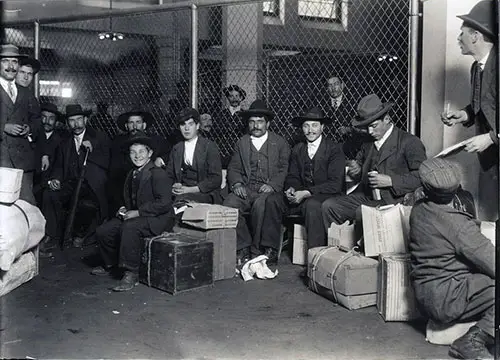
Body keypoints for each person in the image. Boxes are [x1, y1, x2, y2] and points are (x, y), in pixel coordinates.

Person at [409, 158, 494, 360]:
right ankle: (471, 342)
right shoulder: (459, 226)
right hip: (448, 299)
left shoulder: (419, 209)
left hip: (425, 294)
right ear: (457, 191)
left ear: (425, 189)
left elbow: (445, 227)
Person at [322, 93, 426, 230]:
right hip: (368, 197)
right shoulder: (367, 143)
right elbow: (360, 170)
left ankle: (365, 249)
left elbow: (422, 177)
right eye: (367, 127)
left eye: (374, 126)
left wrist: (391, 181)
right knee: (329, 206)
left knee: (363, 213)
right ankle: (338, 247)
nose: (370, 131)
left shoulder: (409, 142)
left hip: (395, 201)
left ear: (387, 119)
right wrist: (357, 170)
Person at [91, 132, 175, 292]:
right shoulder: (131, 173)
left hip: (159, 219)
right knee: (104, 230)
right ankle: (111, 264)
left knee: (129, 228)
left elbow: (164, 203)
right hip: (138, 216)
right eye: (133, 152)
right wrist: (123, 208)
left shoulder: (157, 173)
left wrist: (137, 212)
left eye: (142, 152)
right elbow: (129, 198)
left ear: (150, 153)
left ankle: (131, 272)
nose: (137, 156)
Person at [262, 107, 345, 257]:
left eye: (314, 125)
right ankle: (270, 252)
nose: (310, 130)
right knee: (273, 200)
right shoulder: (298, 149)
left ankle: (315, 256)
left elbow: (335, 184)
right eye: (306, 126)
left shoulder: (334, 149)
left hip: (326, 195)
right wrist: (291, 189)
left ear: (322, 128)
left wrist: (307, 193)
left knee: (312, 205)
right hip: (302, 195)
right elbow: (292, 176)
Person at [441, 0, 497, 220]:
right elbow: (485, 104)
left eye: (461, 33)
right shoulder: (477, 67)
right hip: (492, 155)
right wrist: (463, 115)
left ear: (475, 36)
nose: (458, 39)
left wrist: (491, 138)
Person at [223, 99, 290, 264]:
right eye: (252, 122)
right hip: (246, 187)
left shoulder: (280, 142)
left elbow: (284, 168)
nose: (256, 125)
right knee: (230, 203)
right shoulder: (242, 142)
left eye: (260, 121)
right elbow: (234, 167)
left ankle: (258, 249)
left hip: (267, 189)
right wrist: (237, 184)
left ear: (267, 123)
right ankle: (243, 246)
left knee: (262, 205)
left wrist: (273, 185)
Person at [42, 104, 110, 251]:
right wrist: (56, 179)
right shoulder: (64, 142)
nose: (76, 124)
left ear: (85, 119)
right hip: (71, 183)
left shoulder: (100, 137)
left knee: (86, 204)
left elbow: (107, 162)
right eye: (72, 121)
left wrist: (91, 153)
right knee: (49, 194)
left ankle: (81, 235)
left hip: (92, 185)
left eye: (79, 119)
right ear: (67, 123)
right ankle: (51, 235)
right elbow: (59, 165)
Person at [0, 44, 42, 205]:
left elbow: (37, 119)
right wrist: (4, 127)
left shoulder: (25, 92)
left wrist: (29, 128)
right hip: (2, 160)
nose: (11, 66)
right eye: (5, 61)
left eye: (14, 62)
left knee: (26, 206)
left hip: (22, 162)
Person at [108, 109, 171, 217]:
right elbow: (114, 173)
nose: (135, 126)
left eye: (138, 122)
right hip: (126, 184)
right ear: (127, 126)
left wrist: (159, 159)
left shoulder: (156, 140)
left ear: (144, 125)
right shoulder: (118, 143)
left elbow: (169, 152)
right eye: (131, 123)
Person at [166, 107, 222, 204]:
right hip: (181, 191)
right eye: (183, 125)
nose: (186, 128)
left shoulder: (209, 146)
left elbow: (216, 179)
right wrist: (174, 186)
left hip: (204, 193)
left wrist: (191, 189)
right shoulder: (177, 148)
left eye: (190, 124)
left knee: (181, 203)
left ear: (197, 126)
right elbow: (169, 175)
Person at [212, 84, 247, 168]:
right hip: (223, 149)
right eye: (231, 96)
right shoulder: (221, 114)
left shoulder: (245, 115)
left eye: (237, 96)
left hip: (239, 149)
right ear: (228, 98)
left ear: (241, 98)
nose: (234, 99)